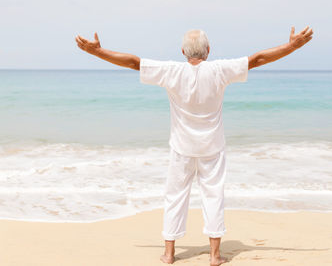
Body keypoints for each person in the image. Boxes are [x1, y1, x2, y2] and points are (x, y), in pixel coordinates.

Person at [75, 26, 313, 266]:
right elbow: (258, 59)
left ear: (183, 51)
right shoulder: (219, 70)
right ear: (208, 50)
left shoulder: (171, 71)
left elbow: (134, 63)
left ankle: (169, 254)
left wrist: (98, 52)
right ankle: (214, 255)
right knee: (214, 196)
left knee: (175, 197)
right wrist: (292, 46)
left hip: (181, 148)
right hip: (212, 147)